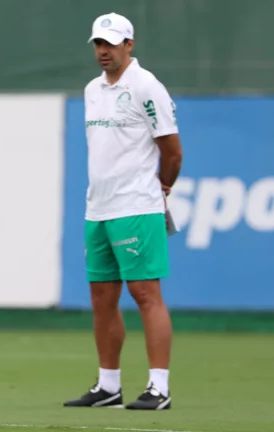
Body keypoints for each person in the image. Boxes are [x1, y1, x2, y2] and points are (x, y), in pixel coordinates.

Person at [62, 12, 182, 410]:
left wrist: (160, 189)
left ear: (129, 45)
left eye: (110, 44)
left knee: (146, 293)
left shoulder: (147, 87)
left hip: (137, 206)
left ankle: (159, 388)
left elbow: (172, 151)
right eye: (98, 43)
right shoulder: (92, 89)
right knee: (101, 297)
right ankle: (108, 387)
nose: (103, 51)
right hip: (97, 208)